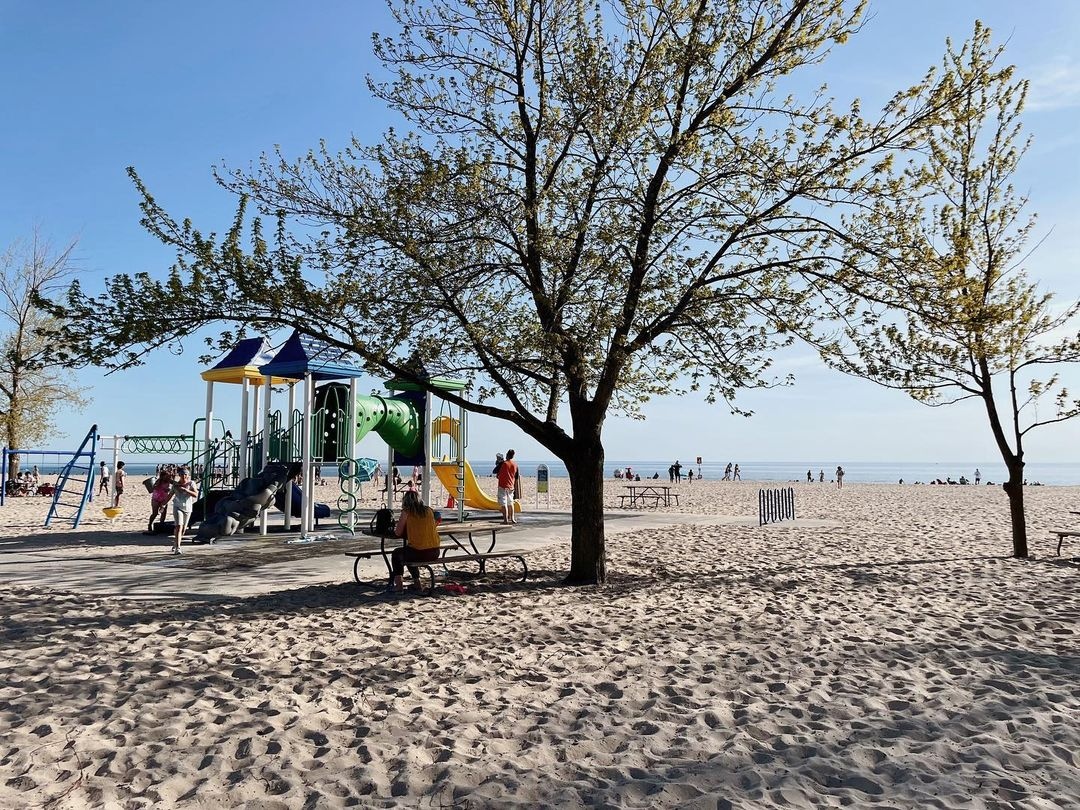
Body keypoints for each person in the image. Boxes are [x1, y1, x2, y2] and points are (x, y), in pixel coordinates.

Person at [389, 490, 442, 592]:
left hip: (420, 553)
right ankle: (417, 583)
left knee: (397, 554)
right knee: (408, 551)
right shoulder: (428, 510)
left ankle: (399, 585)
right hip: (435, 552)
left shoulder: (407, 512)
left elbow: (398, 533)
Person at [170, 468, 198, 554]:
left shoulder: (191, 483)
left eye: (186, 474)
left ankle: (175, 543)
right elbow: (170, 495)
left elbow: (195, 494)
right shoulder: (175, 485)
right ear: (179, 475)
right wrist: (163, 505)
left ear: (188, 475)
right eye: (182, 474)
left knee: (183, 529)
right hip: (177, 507)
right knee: (179, 526)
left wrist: (186, 490)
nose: (184, 476)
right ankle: (178, 548)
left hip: (188, 508)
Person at [497, 449, 519, 524]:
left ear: (507, 455)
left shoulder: (504, 464)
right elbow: (516, 476)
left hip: (503, 485)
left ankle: (505, 520)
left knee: (504, 503)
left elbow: (498, 474)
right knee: (510, 502)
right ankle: (512, 518)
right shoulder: (515, 464)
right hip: (511, 485)